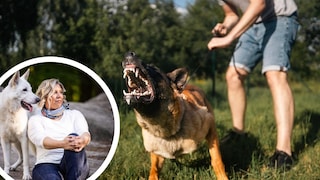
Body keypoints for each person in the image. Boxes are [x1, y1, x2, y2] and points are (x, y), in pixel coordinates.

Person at [207, 0, 299, 170]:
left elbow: (259, 3)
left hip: (279, 18)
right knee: (233, 75)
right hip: (254, 24)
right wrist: (226, 26)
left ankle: (284, 153)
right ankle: (238, 133)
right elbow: (231, 14)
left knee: (274, 75)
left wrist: (229, 38)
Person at [28, 79, 91, 180]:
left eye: (61, 92)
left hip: (73, 162)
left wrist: (81, 141)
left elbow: (85, 134)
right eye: (54, 92)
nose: (59, 96)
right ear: (45, 96)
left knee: (74, 137)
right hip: (46, 163)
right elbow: (41, 140)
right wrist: (63, 144)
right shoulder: (36, 119)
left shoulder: (74, 114)